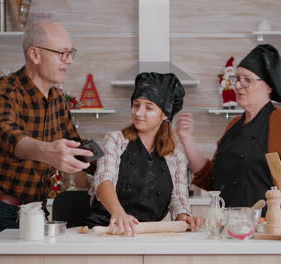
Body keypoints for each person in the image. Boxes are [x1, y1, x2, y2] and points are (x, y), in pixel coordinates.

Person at [0, 21, 94, 264]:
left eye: (70, 53)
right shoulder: (3, 91)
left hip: (35, 210)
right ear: (35, 53)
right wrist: (46, 151)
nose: (69, 60)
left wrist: (115, 158)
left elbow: (76, 146)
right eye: (62, 53)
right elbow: (6, 135)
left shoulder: (57, 99)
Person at [176, 44, 281, 225]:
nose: (238, 85)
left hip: (265, 238)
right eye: (237, 78)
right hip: (230, 233)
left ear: (269, 86)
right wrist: (186, 138)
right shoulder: (234, 126)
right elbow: (211, 179)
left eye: (247, 80)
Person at [84, 72, 204, 236]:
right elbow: (104, 179)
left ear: (165, 115)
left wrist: (185, 218)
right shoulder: (116, 140)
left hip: (145, 236)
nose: (139, 113)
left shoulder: (176, 158)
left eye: (148, 107)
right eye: (136, 105)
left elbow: (178, 201)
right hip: (104, 231)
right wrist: (118, 212)